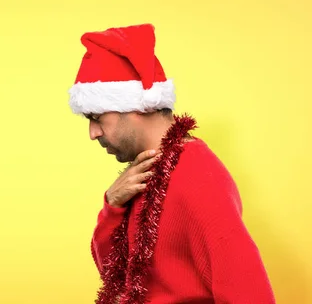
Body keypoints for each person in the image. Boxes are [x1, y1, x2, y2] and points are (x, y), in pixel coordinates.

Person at [67, 23, 276, 304]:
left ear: (136, 107)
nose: (93, 133)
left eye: (97, 117)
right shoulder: (143, 172)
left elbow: (251, 294)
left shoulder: (199, 175)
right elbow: (114, 278)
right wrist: (113, 205)